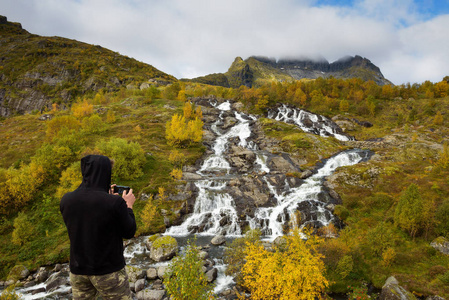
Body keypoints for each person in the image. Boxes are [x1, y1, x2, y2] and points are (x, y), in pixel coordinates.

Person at [60, 154, 136, 299]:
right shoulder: (114, 203)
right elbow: (129, 231)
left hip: (78, 272)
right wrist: (128, 206)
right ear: (105, 173)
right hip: (108, 271)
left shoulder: (66, 200)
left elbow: (86, 220)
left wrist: (105, 195)